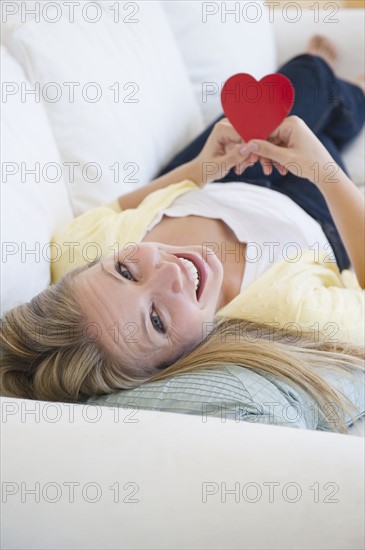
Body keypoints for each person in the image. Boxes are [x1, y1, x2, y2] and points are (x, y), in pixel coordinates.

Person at [1, 37, 364, 433]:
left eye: (126, 271)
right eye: (156, 320)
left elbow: (114, 209)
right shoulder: (288, 312)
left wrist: (200, 168)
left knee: (297, 83)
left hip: (215, 177)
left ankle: (326, 80)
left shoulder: (77, 256)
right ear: (174, 365)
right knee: (318, 123)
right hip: (309, 208)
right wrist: (324, 172)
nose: (169, 273)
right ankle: (350, 94)